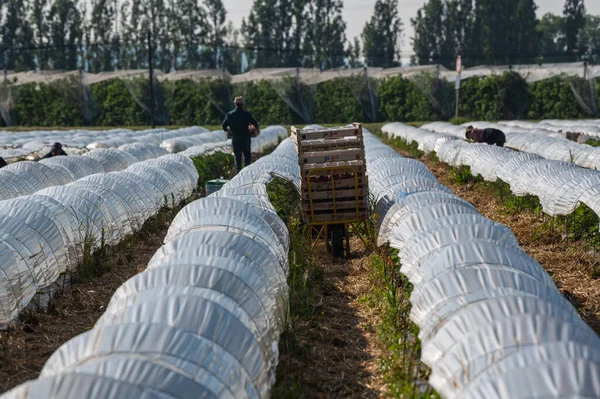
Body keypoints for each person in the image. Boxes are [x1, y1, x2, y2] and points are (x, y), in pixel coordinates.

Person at [222, 96, 260, 171]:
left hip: (235, 138)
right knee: (247, 157)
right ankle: (246, 173)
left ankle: (238, 175)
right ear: (242, 104)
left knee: (237, 158)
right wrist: (256, 130)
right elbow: (255, 123)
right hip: (246, 138)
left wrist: (228, 130)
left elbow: (223, 126)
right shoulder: (246, 114)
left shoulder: (229, 115)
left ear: (235, 104)